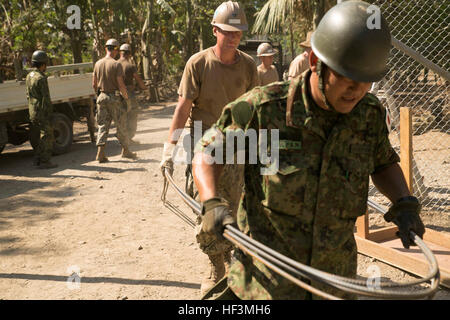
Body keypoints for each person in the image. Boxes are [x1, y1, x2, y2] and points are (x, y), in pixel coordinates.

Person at [192, 1, 425, 300]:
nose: (357, 90)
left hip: (333, 282)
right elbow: (207, 152)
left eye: (366, 81)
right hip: (265, 285)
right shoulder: (262, 109)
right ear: (316, 62)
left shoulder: (368, 114)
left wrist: (404, 201)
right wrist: (212, 202)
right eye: (347, 78)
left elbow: (383, 162)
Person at [159, 1, 259, 296]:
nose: (233, 37)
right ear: (215, 30)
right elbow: (182, 108)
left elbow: (256, 109)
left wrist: (265, 150)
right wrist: (169, 150)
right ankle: (217, 264)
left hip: (239, 145)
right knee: (207, 209)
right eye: (227, 31)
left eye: (237, 33)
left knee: (238, 209)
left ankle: (237, 265)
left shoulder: (249, 66)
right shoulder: (198, 63)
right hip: (203, 144)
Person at [92, 38, 136, 163]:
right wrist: (126, 98)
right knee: (121, 125)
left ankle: (100, 153)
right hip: (114, 98)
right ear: (116, 50)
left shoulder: (97, 64)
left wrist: (98, 95)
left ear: (106, 48)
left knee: (102, 126)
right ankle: (126, 151)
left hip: (101, 97)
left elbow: (94, 84)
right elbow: (121, 85)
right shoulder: (116, 64)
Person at [26, 50, 58, 169]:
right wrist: (49, 113)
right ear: (43, 64)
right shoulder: (41, 78)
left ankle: (37, 159)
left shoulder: (29, 76)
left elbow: (28, 95)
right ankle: (45, 161)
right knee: (48, 135)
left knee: (41, 135)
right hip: (42, 112)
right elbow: (46, 99)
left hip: (33, 111)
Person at [118, 44, 147, 145]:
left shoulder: (115, 64)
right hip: (129, 94)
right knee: (132, 115)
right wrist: (144, 87)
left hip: (117, 94)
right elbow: (138, 79)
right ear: (129, 54)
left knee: (122, 116)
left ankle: (123, 137)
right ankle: (129, 138)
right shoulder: (130, 66)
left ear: (120, 52)